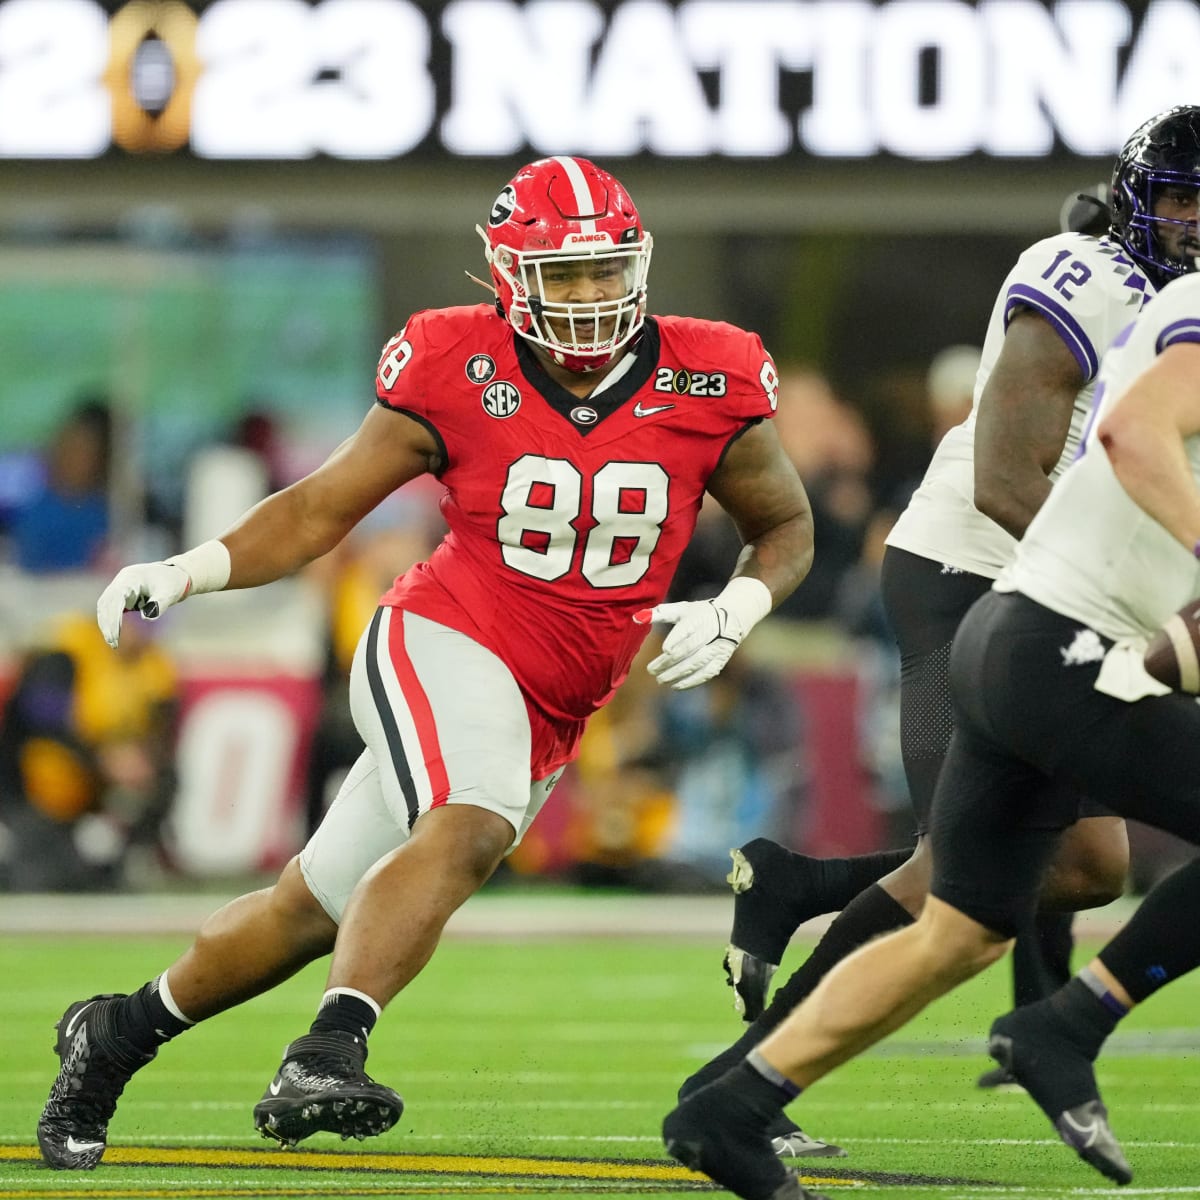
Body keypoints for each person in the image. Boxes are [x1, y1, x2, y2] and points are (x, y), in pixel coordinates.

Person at [35, 155, 816, 1171]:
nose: (588, 297)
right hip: (446, 634)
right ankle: (328, 1048)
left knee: (304, 914)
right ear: (506, 274)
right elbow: (320, 510)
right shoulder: (454, 363)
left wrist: (742, 603)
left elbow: (785, 524)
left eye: (603, 271)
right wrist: (188, 572)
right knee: (472, 822)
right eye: (563, 276)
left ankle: (114, 1035)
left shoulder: (708, 374)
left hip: (554, 701)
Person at [684, 104, 1200, 1157]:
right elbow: (1015, 474)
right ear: (1143, 201)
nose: (1195, 225)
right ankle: (738, 1089)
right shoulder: (1086, 273)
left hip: (1048, 593)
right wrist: (1091, 596)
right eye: (1184, 201)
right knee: (959, 886)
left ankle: (798, 888)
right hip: (976, 570)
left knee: (1083, 868)